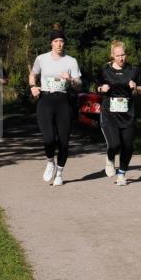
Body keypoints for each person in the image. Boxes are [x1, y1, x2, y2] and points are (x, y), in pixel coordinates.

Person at [29, 27, 82, 187]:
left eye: (61, 41)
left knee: (64, 142)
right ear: (51, 43)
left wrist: (71, 79)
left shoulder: (71, 61)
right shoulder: (41, 59)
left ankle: (59, 172)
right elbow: (33, 74)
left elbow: (79, 86)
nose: (59, 44)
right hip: (45, 100)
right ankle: (50, 161)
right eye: (56, 41)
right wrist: (32, 86)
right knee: (48, 138)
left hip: (63, 102)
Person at [98, 40, 141, 186]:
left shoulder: (133, 70)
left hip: (128, 115)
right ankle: (110, 158)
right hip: (109, 114)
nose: (121, 58)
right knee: (114, 144)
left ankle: (121, 174)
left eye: (123, 55)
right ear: (112, 55)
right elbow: (96, 87)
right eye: (118, 55)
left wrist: (136, 88)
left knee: (128, 146)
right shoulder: (105, 70)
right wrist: (102, 89)